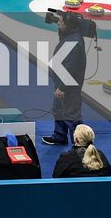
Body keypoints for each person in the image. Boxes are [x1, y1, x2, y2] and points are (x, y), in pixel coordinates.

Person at [41, 11, 86, 146]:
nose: (57, 23)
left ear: (68, 25)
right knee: (59, 111)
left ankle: (81, 145)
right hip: (62, 83)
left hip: (68, 86)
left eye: (60, 22)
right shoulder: (70, 34)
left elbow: (71, 68)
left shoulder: (73, 42)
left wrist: (62, 87)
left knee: (71, 116)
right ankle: (60, 136)